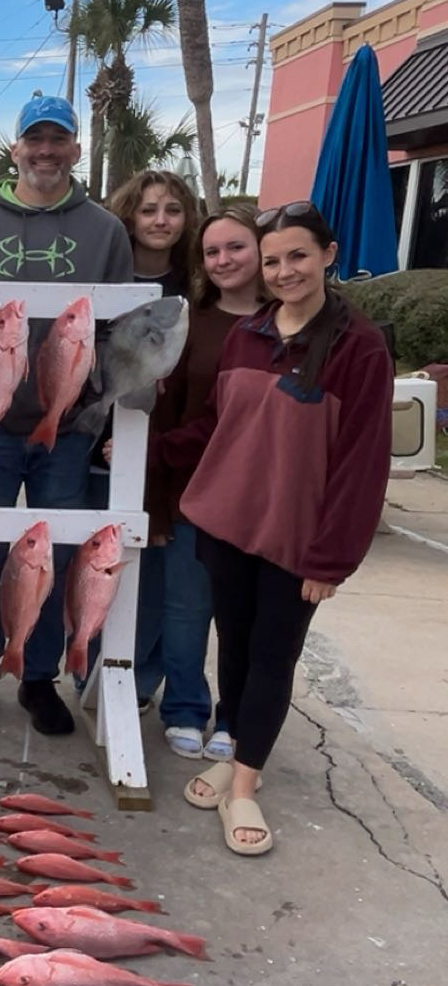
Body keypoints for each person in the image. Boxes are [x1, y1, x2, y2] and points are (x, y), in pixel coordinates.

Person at [155, 202, 393, 855]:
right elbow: (217, 426)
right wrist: (152, 446)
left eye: (297, 256)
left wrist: (331, 559)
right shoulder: (248, 334)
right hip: (227, 521)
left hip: (297, 537)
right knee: (231, 647)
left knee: (271, 657)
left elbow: (362, 464)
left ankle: (244, 788)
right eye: (273, 260)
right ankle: (235, 755)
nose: (285, 270)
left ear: (328, 256)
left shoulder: (359, 348)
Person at [0, 94, 134, 734]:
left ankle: (38, 676)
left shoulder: (106, 231)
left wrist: (92, 410)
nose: (45, 151)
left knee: (51, 561)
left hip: (68, 431)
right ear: (16, 149)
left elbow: (115, 332)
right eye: (35, 139)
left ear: (76, 149)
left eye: (58, 139)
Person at [140, 205, 264, 760]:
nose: (223, 260)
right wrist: (159, 505)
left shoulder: (295, 321)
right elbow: (168, 419)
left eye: (236, 247)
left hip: (267, 498)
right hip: (195, 492)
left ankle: (238, 715)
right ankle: (186, 706)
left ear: (262, 250)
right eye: (213, 251)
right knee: (186, 610)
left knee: (250, 618)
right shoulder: (190, 321)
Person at [107, 168, 199, 297]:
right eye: (148, 211)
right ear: (128, 218)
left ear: (187, 219)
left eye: (173, 211)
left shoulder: (200, 285)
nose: (161, 221)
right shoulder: (104, 279)